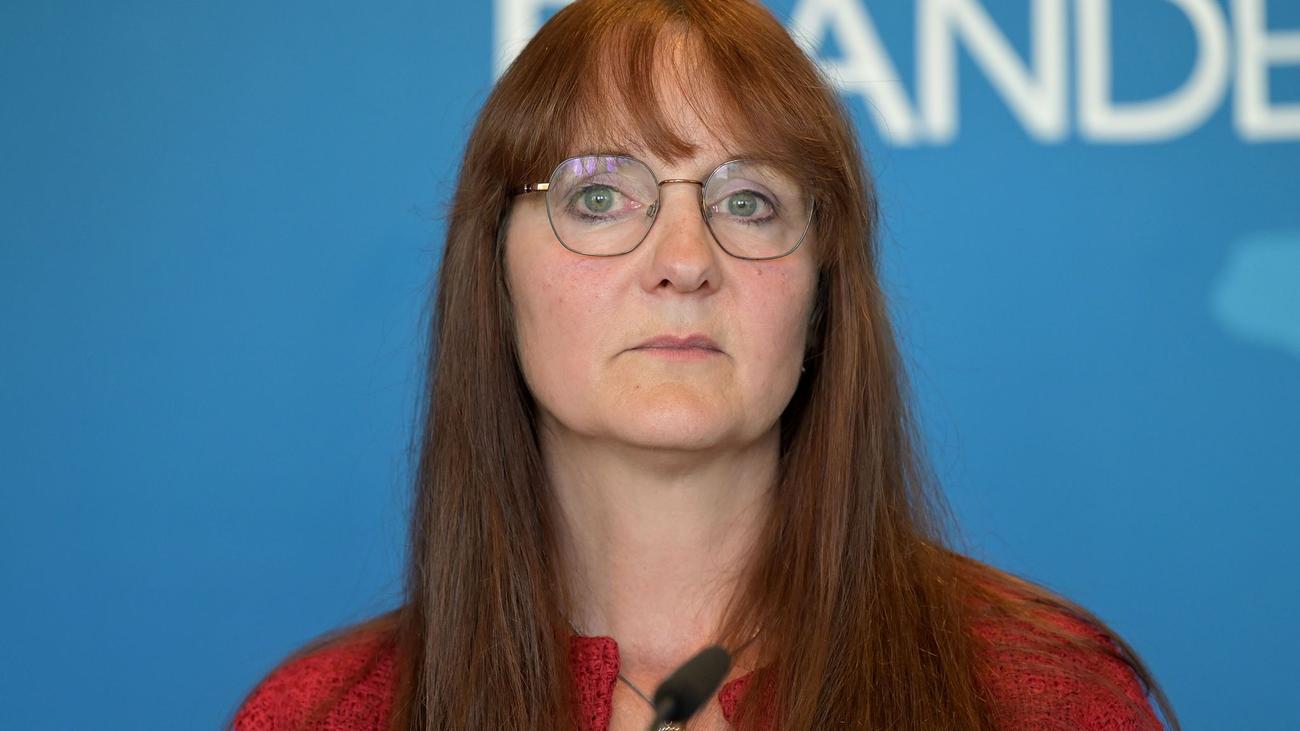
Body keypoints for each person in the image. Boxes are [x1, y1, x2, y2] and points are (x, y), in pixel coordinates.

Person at [229, 1, 1179, 729]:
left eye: (748, 202)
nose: (685, 259)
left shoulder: (1042, 696)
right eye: (599, 196)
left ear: (820, 298)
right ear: (497, 279)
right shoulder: (322, 717)